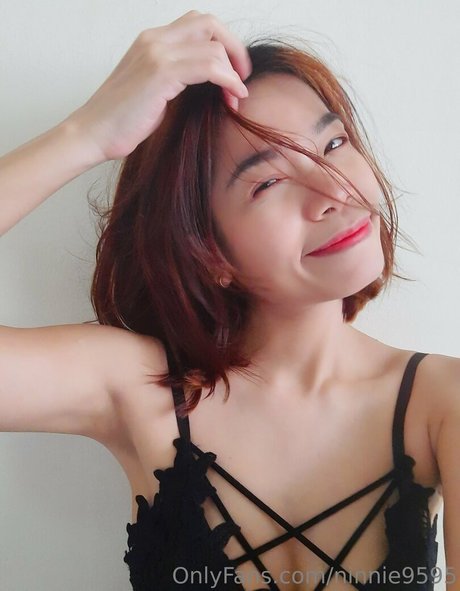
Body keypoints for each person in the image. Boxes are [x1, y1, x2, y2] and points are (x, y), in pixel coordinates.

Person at [0, 9, 458, 591]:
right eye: (268, 181)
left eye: (334, 142)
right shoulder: (140, 389)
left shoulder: (440, 403)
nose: (335, 188)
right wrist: (88, 134)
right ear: (207, 250)